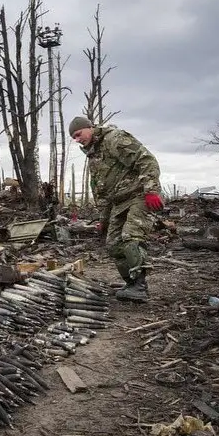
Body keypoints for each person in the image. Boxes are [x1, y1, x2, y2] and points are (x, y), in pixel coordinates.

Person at [69, 116, 163, 302]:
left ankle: (140, 287)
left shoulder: (114, 139)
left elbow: (146, 160)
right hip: (118, 203)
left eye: (79, 134)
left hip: (139, 195)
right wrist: (103, 221)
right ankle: (131, 283)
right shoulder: (94, 155)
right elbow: (103, 192)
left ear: (90, 127)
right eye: (74, 138)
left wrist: (151, 190)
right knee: (113, 244)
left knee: (131, 237)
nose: (78, 139)